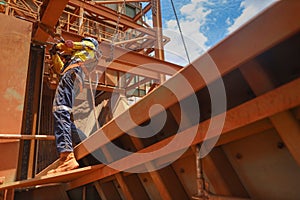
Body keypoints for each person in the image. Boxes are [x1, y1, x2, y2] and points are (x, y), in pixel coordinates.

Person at [48, 37, 100, 174]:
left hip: (72, 74)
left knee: (61, 111)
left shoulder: (90, 46)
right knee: (66, 118)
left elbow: (71, 45)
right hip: (71, 75)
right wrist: (54, 54)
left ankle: (67, 158)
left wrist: (61, 46)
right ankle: (86, 144)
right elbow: (61, 69)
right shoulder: (74, 59)